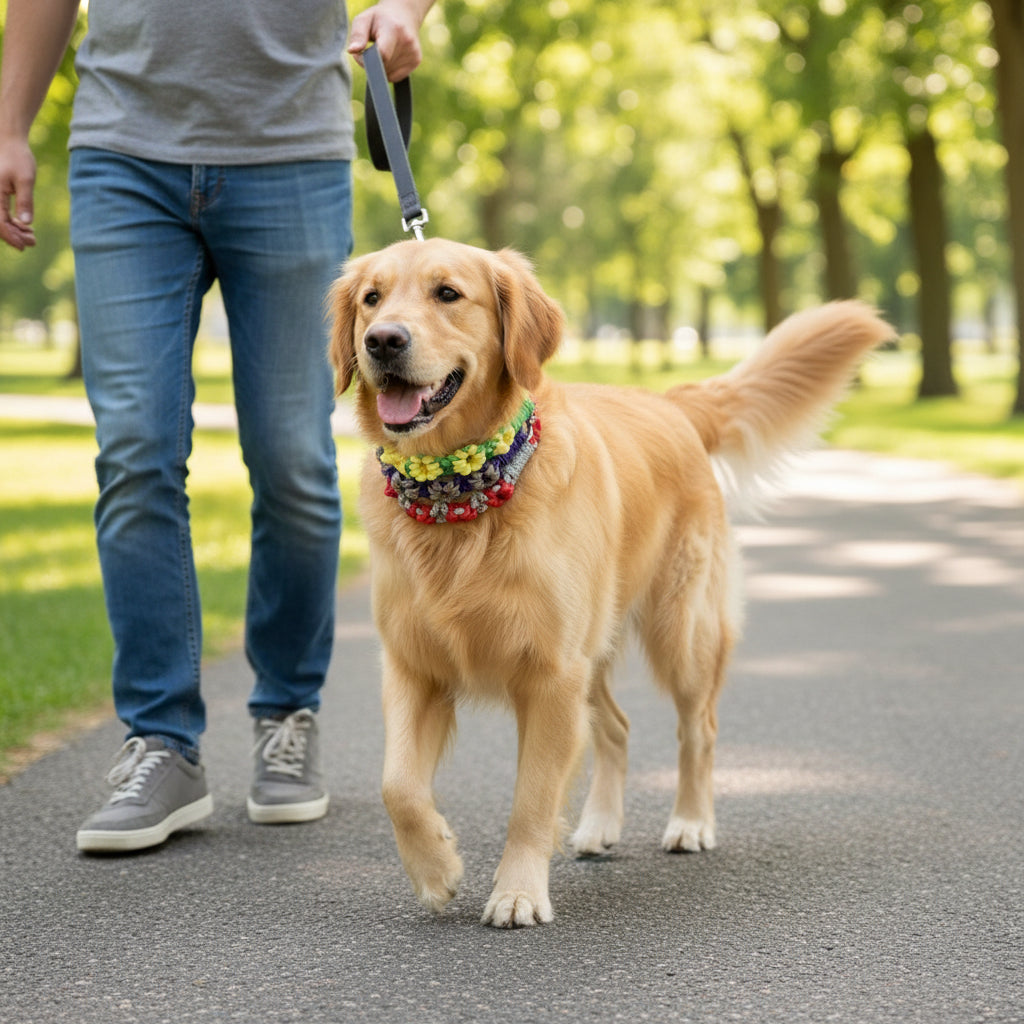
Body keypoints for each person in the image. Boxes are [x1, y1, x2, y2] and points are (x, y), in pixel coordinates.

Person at [0, 0, 435, 853]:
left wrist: (407, 8)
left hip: (292, 153)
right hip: (122, 149)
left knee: (291, 459)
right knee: (134, 453)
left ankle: (287, 717)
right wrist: (11, 122)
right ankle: (160, 740)